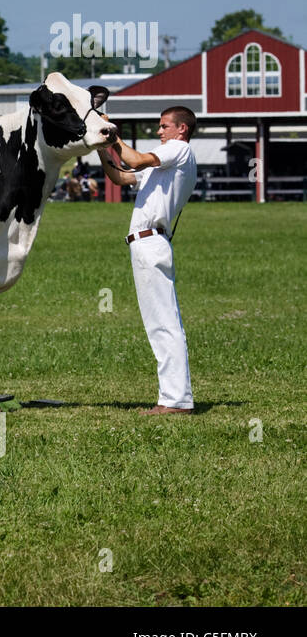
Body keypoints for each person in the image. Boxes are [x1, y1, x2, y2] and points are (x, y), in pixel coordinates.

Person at [98, 106, 199, 415]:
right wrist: (102, 146)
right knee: (161, 324)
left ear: (181, 129)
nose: (159, 131)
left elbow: (135, 159)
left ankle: (176, 400)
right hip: (148, 243)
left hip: (151, 240)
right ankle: (173, 397)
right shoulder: (164, 166)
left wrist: (112, 134)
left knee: (164, 325)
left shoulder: (178, 150)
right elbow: (120, 176)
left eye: (164, 126)